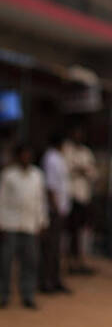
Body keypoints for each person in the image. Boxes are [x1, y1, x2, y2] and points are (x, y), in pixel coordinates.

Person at [0, 143, 48, 309]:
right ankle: (3, 294)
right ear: (18, 156)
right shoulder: (8, 175)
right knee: (5, 262)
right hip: (10, 224)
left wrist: (42, 221)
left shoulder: (37, 175)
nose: (26, 157)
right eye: (23, 154)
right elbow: (2, 200)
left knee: (30, 262)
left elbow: (40, 201)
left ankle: (28, 295)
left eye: (29, 154)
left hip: (30, 224)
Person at [62, 124, 98, 275]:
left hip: (83, 197)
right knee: (69, 232)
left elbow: (94, 173)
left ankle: (79, 262)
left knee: (81, 231)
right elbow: (64, 169)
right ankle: (68, 262)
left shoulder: (86, 152)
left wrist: (83, 170)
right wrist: (79, 169)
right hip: (70, 196)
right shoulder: (66, 149)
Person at [40, 131, 72, 296]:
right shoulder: (51, 159)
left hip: (61, 209)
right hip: (54, 211)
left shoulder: (58, 158)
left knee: (58, 247)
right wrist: (56, 209)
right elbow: (50, 187)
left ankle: (55, 279)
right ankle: (46, 282)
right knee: (50, 248)